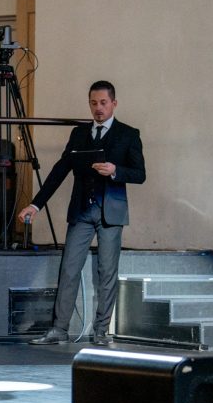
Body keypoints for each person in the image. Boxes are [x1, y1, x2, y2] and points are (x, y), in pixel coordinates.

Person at [20, 81, 146, 346]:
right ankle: (59, 329)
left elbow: (140, 174)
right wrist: (36, 204)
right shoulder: (79, 134)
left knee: (107, 271)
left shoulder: (128, 134)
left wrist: (115, 170)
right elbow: (59, 170)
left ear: (114, 103)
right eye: (93, 103)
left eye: (103, 103)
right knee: (69, 269)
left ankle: (101, 331)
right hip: (81, 211)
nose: (98, 108)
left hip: (110, 212)